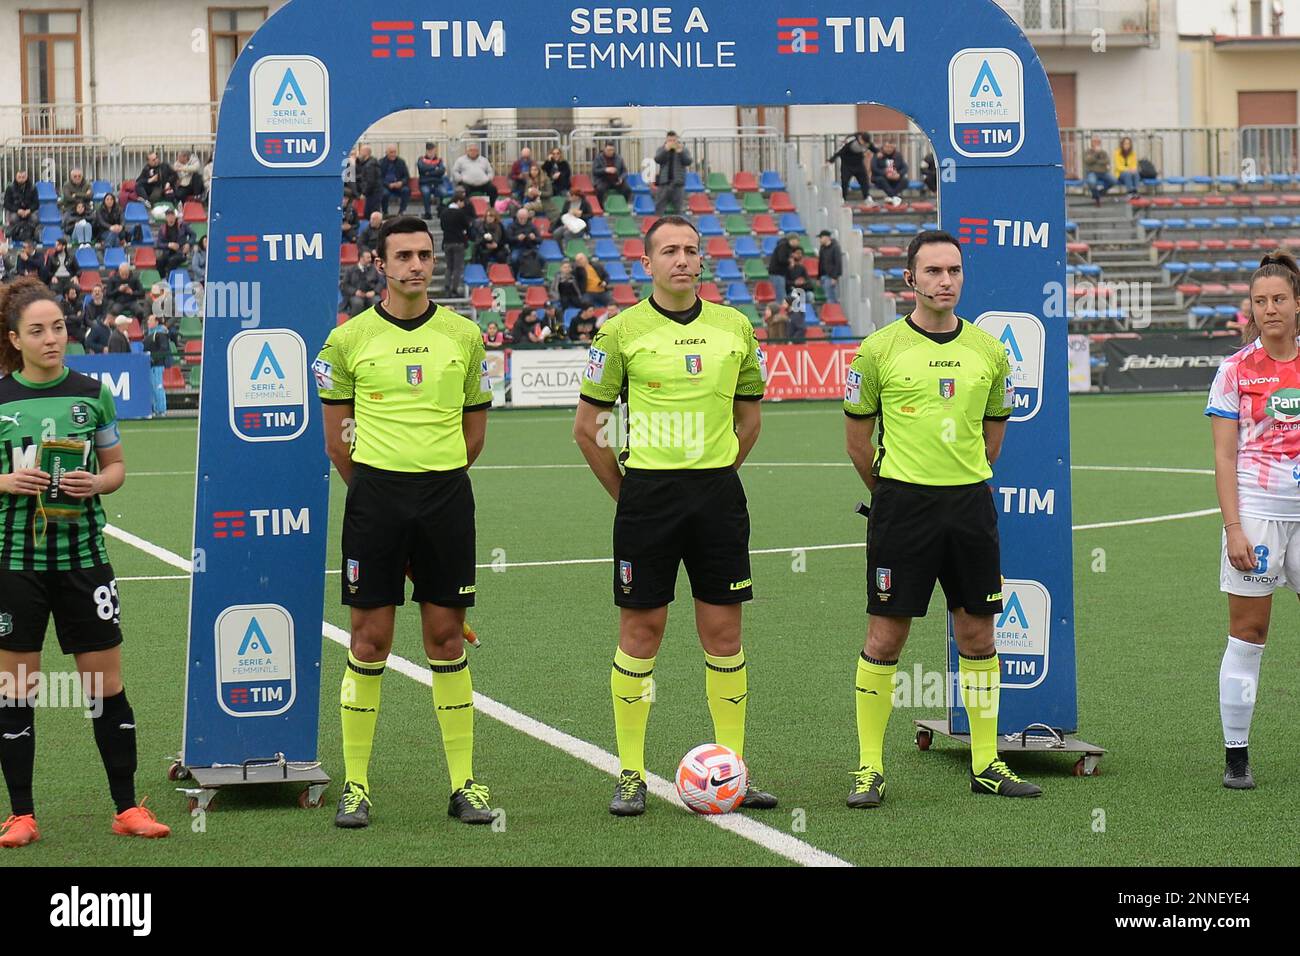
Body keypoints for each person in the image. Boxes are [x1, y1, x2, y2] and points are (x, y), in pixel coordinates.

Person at [572, 215, 775, 817]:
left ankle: (732, 769)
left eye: (691, 250)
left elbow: (750, 420)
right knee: (641, 635)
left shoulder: (735, 327)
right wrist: (630, 495)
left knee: (725, 635)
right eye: (669, 251)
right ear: (647, 264)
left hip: (717, 499)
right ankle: (630, 773)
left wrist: (716, 476)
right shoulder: (619, 333)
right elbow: (588, 431)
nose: (682, 260)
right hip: (648, 501)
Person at [842, 230, 1036, 808]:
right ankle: (869, 769)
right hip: (903, 507)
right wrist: (896, 494)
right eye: (932, 272)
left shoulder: (989, 350)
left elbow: (992, 437)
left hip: (969, 505)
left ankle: (985, 763)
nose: (944, 281)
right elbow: (857, 442)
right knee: (886, 634)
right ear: (910, 280)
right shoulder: (878, 349)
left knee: (978, 632)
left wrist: (958, 477)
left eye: (953, 270)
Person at [314, 215, 494, 828]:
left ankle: (465, 785)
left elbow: (474, 433)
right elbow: (338, 438)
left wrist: (434, 477)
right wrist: (378, 492)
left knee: (445, 638)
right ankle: (357, 786)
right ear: (379, 264)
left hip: (447, 498)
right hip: (375, 500)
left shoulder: (465, 336)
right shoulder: (347, 340)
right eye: (404, 256)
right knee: (370, 641)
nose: (416, 265)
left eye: (424, 254)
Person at [0, 276, 171, 849]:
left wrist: (95, 480)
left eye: (58, 327)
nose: (52, 338)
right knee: (14, 690)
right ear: (15, 339)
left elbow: (117, 467)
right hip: (15, 564)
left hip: (83, 560)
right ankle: (21, 814)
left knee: (105, 686)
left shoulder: (92, 392)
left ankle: (127, 808)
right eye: (37, 331)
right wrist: (6, 479)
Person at [1205, 251, 1300, 791]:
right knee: (1249, 634)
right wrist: (1233, 528)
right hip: (1258, 519)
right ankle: (1236, 754)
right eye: (1260, 300)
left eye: (1279, 299)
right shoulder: (1235, 370)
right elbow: (1224, 457)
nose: (1269, 308)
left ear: (1296, 304)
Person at [437, 188, 471, 298]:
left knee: (449, 267)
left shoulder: (444, 213)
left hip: (447, 242)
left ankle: (447, 286)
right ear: (459, 201)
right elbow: (466, 226)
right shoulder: (460, 213)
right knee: (457, 267)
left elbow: (442, 226)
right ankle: (454, 289)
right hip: (458, 242)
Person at [829, 133, 876, 205]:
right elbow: (840, 152)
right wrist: (830, 160)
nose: (864, 145)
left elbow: (874, 149)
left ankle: (867, 197)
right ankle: (843, 199)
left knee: (864, 181)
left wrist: (879, 153)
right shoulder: (851, 141)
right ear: (860, 138)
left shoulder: (867, 143)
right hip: (847, 165)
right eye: (863, 143)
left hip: (859, 164)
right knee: (845, 181)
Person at [653, 132, 692, 216]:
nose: (672, 142)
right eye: (670, 140)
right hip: (664, 183)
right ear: (666, 140)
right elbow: (657, 159)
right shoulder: (661, 149)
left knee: (679, 210)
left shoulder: (683, 149)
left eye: (674, 140)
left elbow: (688, 162)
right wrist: (665, 150)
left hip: (678, 184)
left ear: (677, 140)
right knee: (659, 208)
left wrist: (681, 153)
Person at [340, 249, 382, 317]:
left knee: (377, 301)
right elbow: (345, 285)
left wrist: (374, 292)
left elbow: (381, 282)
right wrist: (355, 292)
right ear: (361, 258)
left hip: (371, 294)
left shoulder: (374, 269)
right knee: (357, 303)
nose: (370, 259)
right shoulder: (350, 270)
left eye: (370, 257)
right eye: (368, 257)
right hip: (356, 295)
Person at [143, 314, 170, 418]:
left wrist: (154, 358)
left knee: (158, 387)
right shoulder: (149, 334)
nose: (148, 322)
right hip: (150, 366)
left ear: (156, 322)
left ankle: (161, 410)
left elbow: (163, 349)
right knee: (152, 388)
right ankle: (155, 409)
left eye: (150, 320)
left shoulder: (160, 334)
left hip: (157, 366)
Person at [154, 208, 192, 279]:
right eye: (168, 216)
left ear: (175, 216)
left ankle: (169, 280)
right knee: (159, 261)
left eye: (172, 215)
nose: (170, 217)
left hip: (180, 252)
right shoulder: (162, 229)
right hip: (168, 252)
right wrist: (168, 245)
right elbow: (158, 244)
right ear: (166, 217)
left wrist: (188, 244)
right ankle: (162, 279)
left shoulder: (182, 226)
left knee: (172, 260)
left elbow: (193, 235)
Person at [871, 141, 909, 207]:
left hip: (894, 177)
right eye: (887, 147)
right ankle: (895, 197)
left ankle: (890, 197)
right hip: (881, 177)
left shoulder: (898, 155)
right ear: (883, 147)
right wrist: (885, 173)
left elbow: (905, 167)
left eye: (891, 147)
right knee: (881, 180)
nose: (889, 149)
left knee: (905, 180)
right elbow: (874, 168)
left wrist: (899, 174)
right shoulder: (878, 155)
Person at [766, 232, 800, 306]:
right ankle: (781, 313)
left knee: (782, 295)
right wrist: (790, 261)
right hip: (777, 274)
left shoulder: (788, 247)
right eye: (797, 241)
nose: (798, 243)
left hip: (780, 274)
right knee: (781, 296)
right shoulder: (783, 246)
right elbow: (781, 259)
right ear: (793, 240)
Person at [786, 248, 810, 343]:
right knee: (793, 294)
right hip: (790, 290)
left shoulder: (802, 269)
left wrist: (801, 283)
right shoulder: (787, 270)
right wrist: (794, 282)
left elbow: (809, 284)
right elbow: (785, 283)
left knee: (810, 295)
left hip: (801, 291)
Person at [416, 143, 446, 219]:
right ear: (426, 151)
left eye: (433, 151)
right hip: (425, 183)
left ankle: (441, 211)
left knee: (443, 192)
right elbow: (422, 169)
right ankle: (428, 213)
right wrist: (435, 168)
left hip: (437, 183)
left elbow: (442, 171)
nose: (431, 153)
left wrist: (428, 172)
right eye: (429, 151)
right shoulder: (421, 159)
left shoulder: (439, 160)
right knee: (426, 193)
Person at [354, 145, 385, 219]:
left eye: (361, 151)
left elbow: (370, 181)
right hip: (374, 192)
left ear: (366, 152)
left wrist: (364, 193)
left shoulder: (369, 165)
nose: (359, 154)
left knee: (371, 213)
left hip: (373, 193)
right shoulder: (370, 162)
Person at [1083, 136, 1116, 206]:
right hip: (1092, 172)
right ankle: (1097, 199)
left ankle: (1100, 193)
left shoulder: (1103, 152)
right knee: (1092, 182)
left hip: (1103, 172)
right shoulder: (1088, 152)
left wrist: (1095, 161)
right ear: (1091, 143)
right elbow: (1087, 161)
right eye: (1094, 142)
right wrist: (1096, 154)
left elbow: (1107, 161)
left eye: (1098, 142)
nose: (1096, 143)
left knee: (1113, 181)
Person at [4, 171, 38, 237]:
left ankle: (29, 234)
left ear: (26, 177)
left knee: (35, 218)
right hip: (14, 211)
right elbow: (6, 204)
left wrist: (29, 210)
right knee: (14, 218)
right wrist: (17, 210)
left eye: (23, 177)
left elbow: (36, 203)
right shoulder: (10, 188)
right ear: (16, 177)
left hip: (29, 211)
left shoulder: (33, 188)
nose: (21, 179)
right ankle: (16, 234)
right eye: (19, 177)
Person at [380, 144, 411, 216]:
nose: (393, 154)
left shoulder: (401, 162)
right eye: (391, 152)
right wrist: (388, 184)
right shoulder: (381, 162)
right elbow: (379, 178)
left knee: (406, 190)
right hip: (386, 185)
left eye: (394, 152)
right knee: (384, 194)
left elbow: (406, 176)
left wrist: (401, 182)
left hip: (398, 185)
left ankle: (401, 211)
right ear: (386, 152)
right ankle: (385, 212)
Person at [818, 230, 843, 305]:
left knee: (831, 298)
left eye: (821, 237)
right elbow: (820, 263)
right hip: (824, 276)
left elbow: (838, 263)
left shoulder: (835, 247)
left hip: (831, 276)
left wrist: (834, 277)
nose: (820, 239)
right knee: (828, 296)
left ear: (826, 238)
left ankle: (834, 313)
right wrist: (818, 277)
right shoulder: (822, 248)